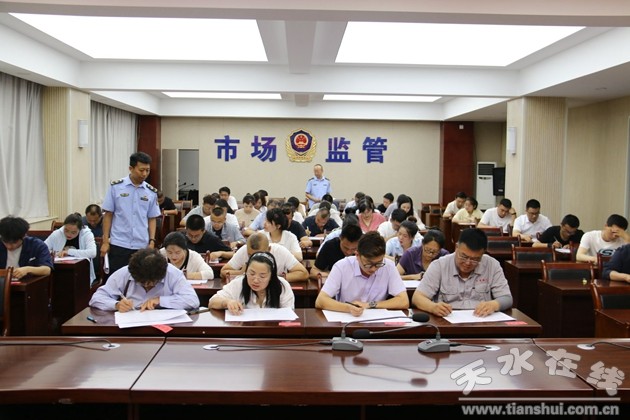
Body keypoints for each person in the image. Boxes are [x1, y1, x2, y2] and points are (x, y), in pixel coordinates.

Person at [412, 228, 513, 317]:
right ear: (456, 247)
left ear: (483, 254)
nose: (468, 263)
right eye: (464, 256)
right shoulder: (439, 265)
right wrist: (433, 307)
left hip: (481, 322)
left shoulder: (492, 265)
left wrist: (494, 304)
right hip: (447, 322)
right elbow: (417, 297)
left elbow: (507, 298)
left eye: (475, 259)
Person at [315, 231, 409, 316]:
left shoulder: (389, 266)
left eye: (378, 263)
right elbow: (320, 301)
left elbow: (404, 301)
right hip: (347, 320)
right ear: (357, 255)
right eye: (368, 264)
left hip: (377, 321)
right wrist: (348, 308)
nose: (373, 268)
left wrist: (370, 305)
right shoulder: (342, 267)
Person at [100, 151, 161, 275]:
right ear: (131, 168)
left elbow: (152, 218)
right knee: (118, 279)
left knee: (141, 279)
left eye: (147, 170)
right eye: (141, 170)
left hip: (141, 245)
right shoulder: (116, 187)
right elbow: (108, 215)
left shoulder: (151, 192)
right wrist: (105, 241)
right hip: (119, 243)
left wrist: (152, 242)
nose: (144, 174)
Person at [89, 248, 199, 312]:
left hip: (165, 326)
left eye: (151, 283)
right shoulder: (125, 273)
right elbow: (96, 298)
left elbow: (192, 300)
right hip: (130, 325)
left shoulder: (172, 274)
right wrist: (116, 304)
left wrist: (160, 300)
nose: (146, 286)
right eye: (141, 283)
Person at [209, 251, 294, 313]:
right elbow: (212, 302)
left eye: (262, 276)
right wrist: (227, 302)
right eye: (252, 274)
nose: (255, 280)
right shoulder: (238, 283)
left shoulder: (282, 286)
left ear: (271, 276)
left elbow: (288, 313)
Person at [220, 232, 308, 282]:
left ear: (269, 249)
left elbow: (303, 273)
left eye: (260, 254)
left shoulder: (280, 251)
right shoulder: (244, 250)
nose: (255, 258)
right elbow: (223, 271)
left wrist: (274, 278)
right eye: (250, 255)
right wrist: (240, 272)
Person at [44, 212, 97, 285]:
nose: (69, 234)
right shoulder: (57, 233)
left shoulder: (86, 234)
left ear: (80, 229)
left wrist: (69, 251)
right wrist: (54, 253)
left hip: (81, 272)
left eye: (73, 232)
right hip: (58, 271)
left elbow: (93, 253)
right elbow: (43, 249)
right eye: (66, 230)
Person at [0, 216, 53, 280]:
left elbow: (47, 270)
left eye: (14, 243)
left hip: (27, 283)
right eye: (5, 242)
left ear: (24, 236)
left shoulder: (36, 245)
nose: (9, 246)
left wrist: (28, 269)